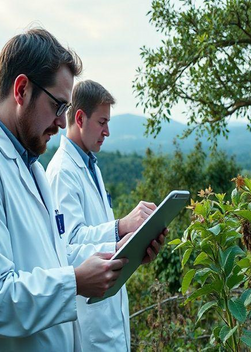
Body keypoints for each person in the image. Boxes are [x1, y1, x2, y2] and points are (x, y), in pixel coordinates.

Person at [0, 28, 161, 351]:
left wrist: (120, 250)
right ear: (22, 90)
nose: (62, 122)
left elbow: (56, 256)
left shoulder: (32, 168)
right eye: (57, 107)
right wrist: (76, 282)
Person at [46, 80, 165, 351]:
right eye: (102, 122)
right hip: (89, 323)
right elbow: (68, 245)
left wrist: (134, 247)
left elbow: (96, 233)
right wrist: (121, 226)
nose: (107, 131)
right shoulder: (62, 173)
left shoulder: (91, 167)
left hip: (110, 317)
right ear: (80, 118)